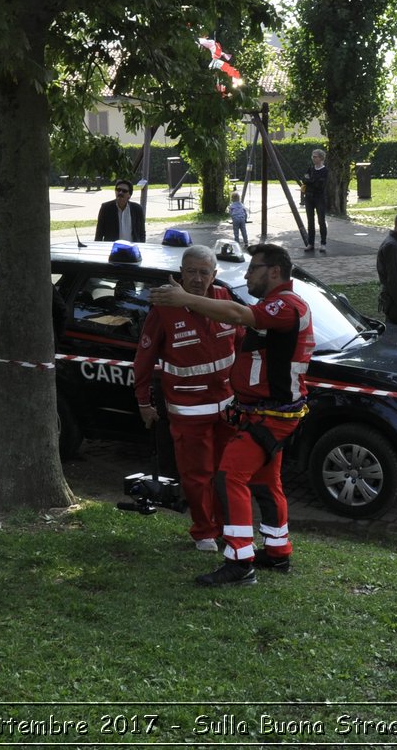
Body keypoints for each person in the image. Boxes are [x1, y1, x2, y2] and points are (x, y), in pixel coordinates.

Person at [150, 243, 314, 587]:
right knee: (267, 481)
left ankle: (240, 562)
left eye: (253, 268)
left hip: (271, 416)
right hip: (262, 413)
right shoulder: (276, 304)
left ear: (273, 272)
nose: (247, 274)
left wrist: (186, 299)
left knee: (229, 477)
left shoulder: (285, 305)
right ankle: (277, 550)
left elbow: (239, 317)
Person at [133, 245, 239, 550]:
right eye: (190, 271)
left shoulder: (224, 300)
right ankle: (204, 531)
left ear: (214, 275)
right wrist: (144, 403)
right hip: (188, 410)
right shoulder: (165, 308)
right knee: (197, 475)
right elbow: (144, 359)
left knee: (226, 473)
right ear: (181, 273)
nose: (196, 278)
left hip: (227, 409)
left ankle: (227, 528)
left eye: (203, 272)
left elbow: (242, 346)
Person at [0, 281, 69, 476]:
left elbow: (61, 314)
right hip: (7, 362)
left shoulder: (42, 286)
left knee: (34, 412)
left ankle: (32, 459)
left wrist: (51, 346)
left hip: (34, 361)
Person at [300, 149, 329, 253]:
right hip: (309, 197)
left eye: (315, 156)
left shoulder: (324, 171)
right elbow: (304, 179)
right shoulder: (310, 169)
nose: (313, 158)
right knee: (310, 221)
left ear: (321, 158)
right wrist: (310, 181)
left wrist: (310, 181)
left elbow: (320, 185)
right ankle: (310, 243)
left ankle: (323, 243)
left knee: (321, 220)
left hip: (319, 198)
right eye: (312, 156)